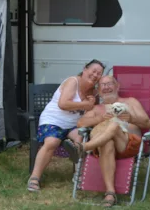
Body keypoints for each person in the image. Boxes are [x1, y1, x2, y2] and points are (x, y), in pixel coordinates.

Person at [27, 59, 104, 192]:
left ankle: (78, 175)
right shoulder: (73, 81)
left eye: (99, 73)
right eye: (93, 71)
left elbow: (90, 113)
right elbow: (63, 104)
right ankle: (34, 178)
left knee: (82, 139)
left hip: (74, 125)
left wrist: (91, 107)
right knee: (52, 142)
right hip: (53, 120)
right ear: (85, 69)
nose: (95, 75)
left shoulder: (94, 92)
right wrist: (85, 105)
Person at [77, 75, 150, 206]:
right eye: (102, 85)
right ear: (98, 91)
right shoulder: (96, 109)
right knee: (107, 142)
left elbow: (146, 123)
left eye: (109, 83)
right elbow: (81, 123)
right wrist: (101, 118)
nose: (106, 87)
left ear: (117, 86)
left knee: (114, 123)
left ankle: (84, 147)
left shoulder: (130, 102)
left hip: (127, 145)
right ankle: (110, 193)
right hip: (104, 147)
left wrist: (130, 118)